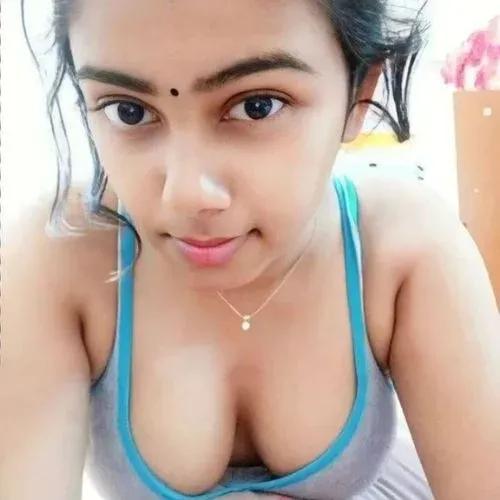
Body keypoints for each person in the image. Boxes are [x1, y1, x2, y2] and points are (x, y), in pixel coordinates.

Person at [2, 0, 499, 498]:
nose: (187, 193)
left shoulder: (399, 248)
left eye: (256, 106)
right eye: (128, 111)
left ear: (359, 95)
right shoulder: (63, 256)